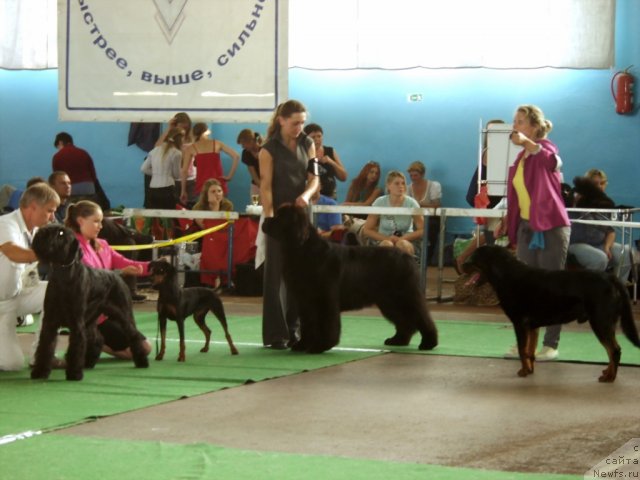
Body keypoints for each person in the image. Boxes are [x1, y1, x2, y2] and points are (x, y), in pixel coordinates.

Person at [495, 105, 570, 361]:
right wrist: (508, 219)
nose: (515, 126)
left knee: (553, 286)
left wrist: (529, 143)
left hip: (551, 226)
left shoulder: (546, 150)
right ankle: (524, 342)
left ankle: (551, 344)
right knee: (525, 288)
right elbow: (519, 195)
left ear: (535, 127)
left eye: (521, 122)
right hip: (526, 227)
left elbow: (553, 162)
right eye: (514, 122)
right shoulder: (520, 159)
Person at [259, 99, 320, 349]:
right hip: (278, 219)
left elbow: (314, 179)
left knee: (301, 274)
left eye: (302, 123)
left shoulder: (308, 144)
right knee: (275, 276)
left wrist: (306, 196)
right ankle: (275, 334)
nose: (299, 127)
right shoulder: (267, 150)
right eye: (295, 123)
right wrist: (271, 219)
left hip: (302, 217)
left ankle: (295, 330)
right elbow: (265, 187)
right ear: (281, 121)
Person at [65, 200, 152, 360]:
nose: (101, 226)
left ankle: (93, 341)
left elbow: (128, 264)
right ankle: (89, 337)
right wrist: (120, 273)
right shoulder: (73, 247)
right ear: (80, 221)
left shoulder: (103, 245)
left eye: (101, 222)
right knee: (140, 349)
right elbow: (92, 276)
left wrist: (155, 266)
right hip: (90, 313)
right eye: (96, 221)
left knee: (144, 348)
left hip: (108, 310)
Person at [0, 183, 60, 371]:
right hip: (3, 302)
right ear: (33, 206)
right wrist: (48, 254)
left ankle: (42, 356)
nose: (52, 217)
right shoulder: (5, 224)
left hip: (16, 296)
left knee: (58, 292)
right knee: (12, 365)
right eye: (49, 211)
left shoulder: (35, 230)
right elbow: (12, 252)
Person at [568, 170, 631, 284]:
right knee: (600, 258)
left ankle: (617, 290)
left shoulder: (605, 204)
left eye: (602, 183)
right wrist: (575, 201)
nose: (599, 186)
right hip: (576, 245)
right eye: (595, 184)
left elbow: (611, 231)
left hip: (600, 244)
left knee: (627, 252)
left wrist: (607, 246)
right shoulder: (576, 200)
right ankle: (591, 294)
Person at [362, 171, 423, 256]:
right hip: (383, 239)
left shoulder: (412, 203)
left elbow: (422, 230)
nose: (401, 186)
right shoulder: (379, 202)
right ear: (388, 186)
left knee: (402, 245)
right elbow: (367, 230)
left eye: (403, 183)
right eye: (397, 183)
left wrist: (402, 238)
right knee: (387, 245)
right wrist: (387, 238)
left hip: (407, 240)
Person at [180, 123, 240, 204]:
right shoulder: (217, 143)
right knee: (220, 215)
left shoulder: (191, 148)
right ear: (206, 131)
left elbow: (184, 171)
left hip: (202, 187)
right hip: (219, 186)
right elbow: (236, 156)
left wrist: (183, 190)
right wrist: (229, 176)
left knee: (203, 215)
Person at [141, 127, 184, 209]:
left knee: (156, 218)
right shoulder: (177, 153)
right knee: (169, 218)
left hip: (153, 189)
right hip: (167, 189)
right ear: (179, 140)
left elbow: (143, 169)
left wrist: (156, 173)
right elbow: (177, 175)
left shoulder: (154, 150)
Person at [52, 132, 101, 205]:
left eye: (58, 147)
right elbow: (93, 174)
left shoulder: (57, 156)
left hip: (71, 190)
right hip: (88, 188)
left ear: (60, 142)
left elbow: (57, 177)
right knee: (88, 212)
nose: (58, 149)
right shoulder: (84, 153)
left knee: (72, 213)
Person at [407, 161, 442, 263]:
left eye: (416, 175)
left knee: (432, 226)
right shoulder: (408, 188)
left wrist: (418, 205)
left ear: (422, 174)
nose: (413, 178)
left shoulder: (433, 185)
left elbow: (437, 204)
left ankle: (426, 259)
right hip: (415, 217)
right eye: (411, 176)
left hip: (431, 217)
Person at [303, 123, 347, 198]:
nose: (317, 139)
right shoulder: (302, 153)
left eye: (319, 136)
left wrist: (331, 161)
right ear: (306, 139)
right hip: (310, 196)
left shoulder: (330, 151)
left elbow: (343, 177)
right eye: (313, 137)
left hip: (330, 196)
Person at [237, 129, 263, 203]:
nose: (242, 146)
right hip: (256, 185)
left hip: (271, 183)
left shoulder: (265, 149)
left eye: (243, 144)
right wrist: (261, 187)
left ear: (251, 141)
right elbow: (253, 174)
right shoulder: (246, 154)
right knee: (255, 207)